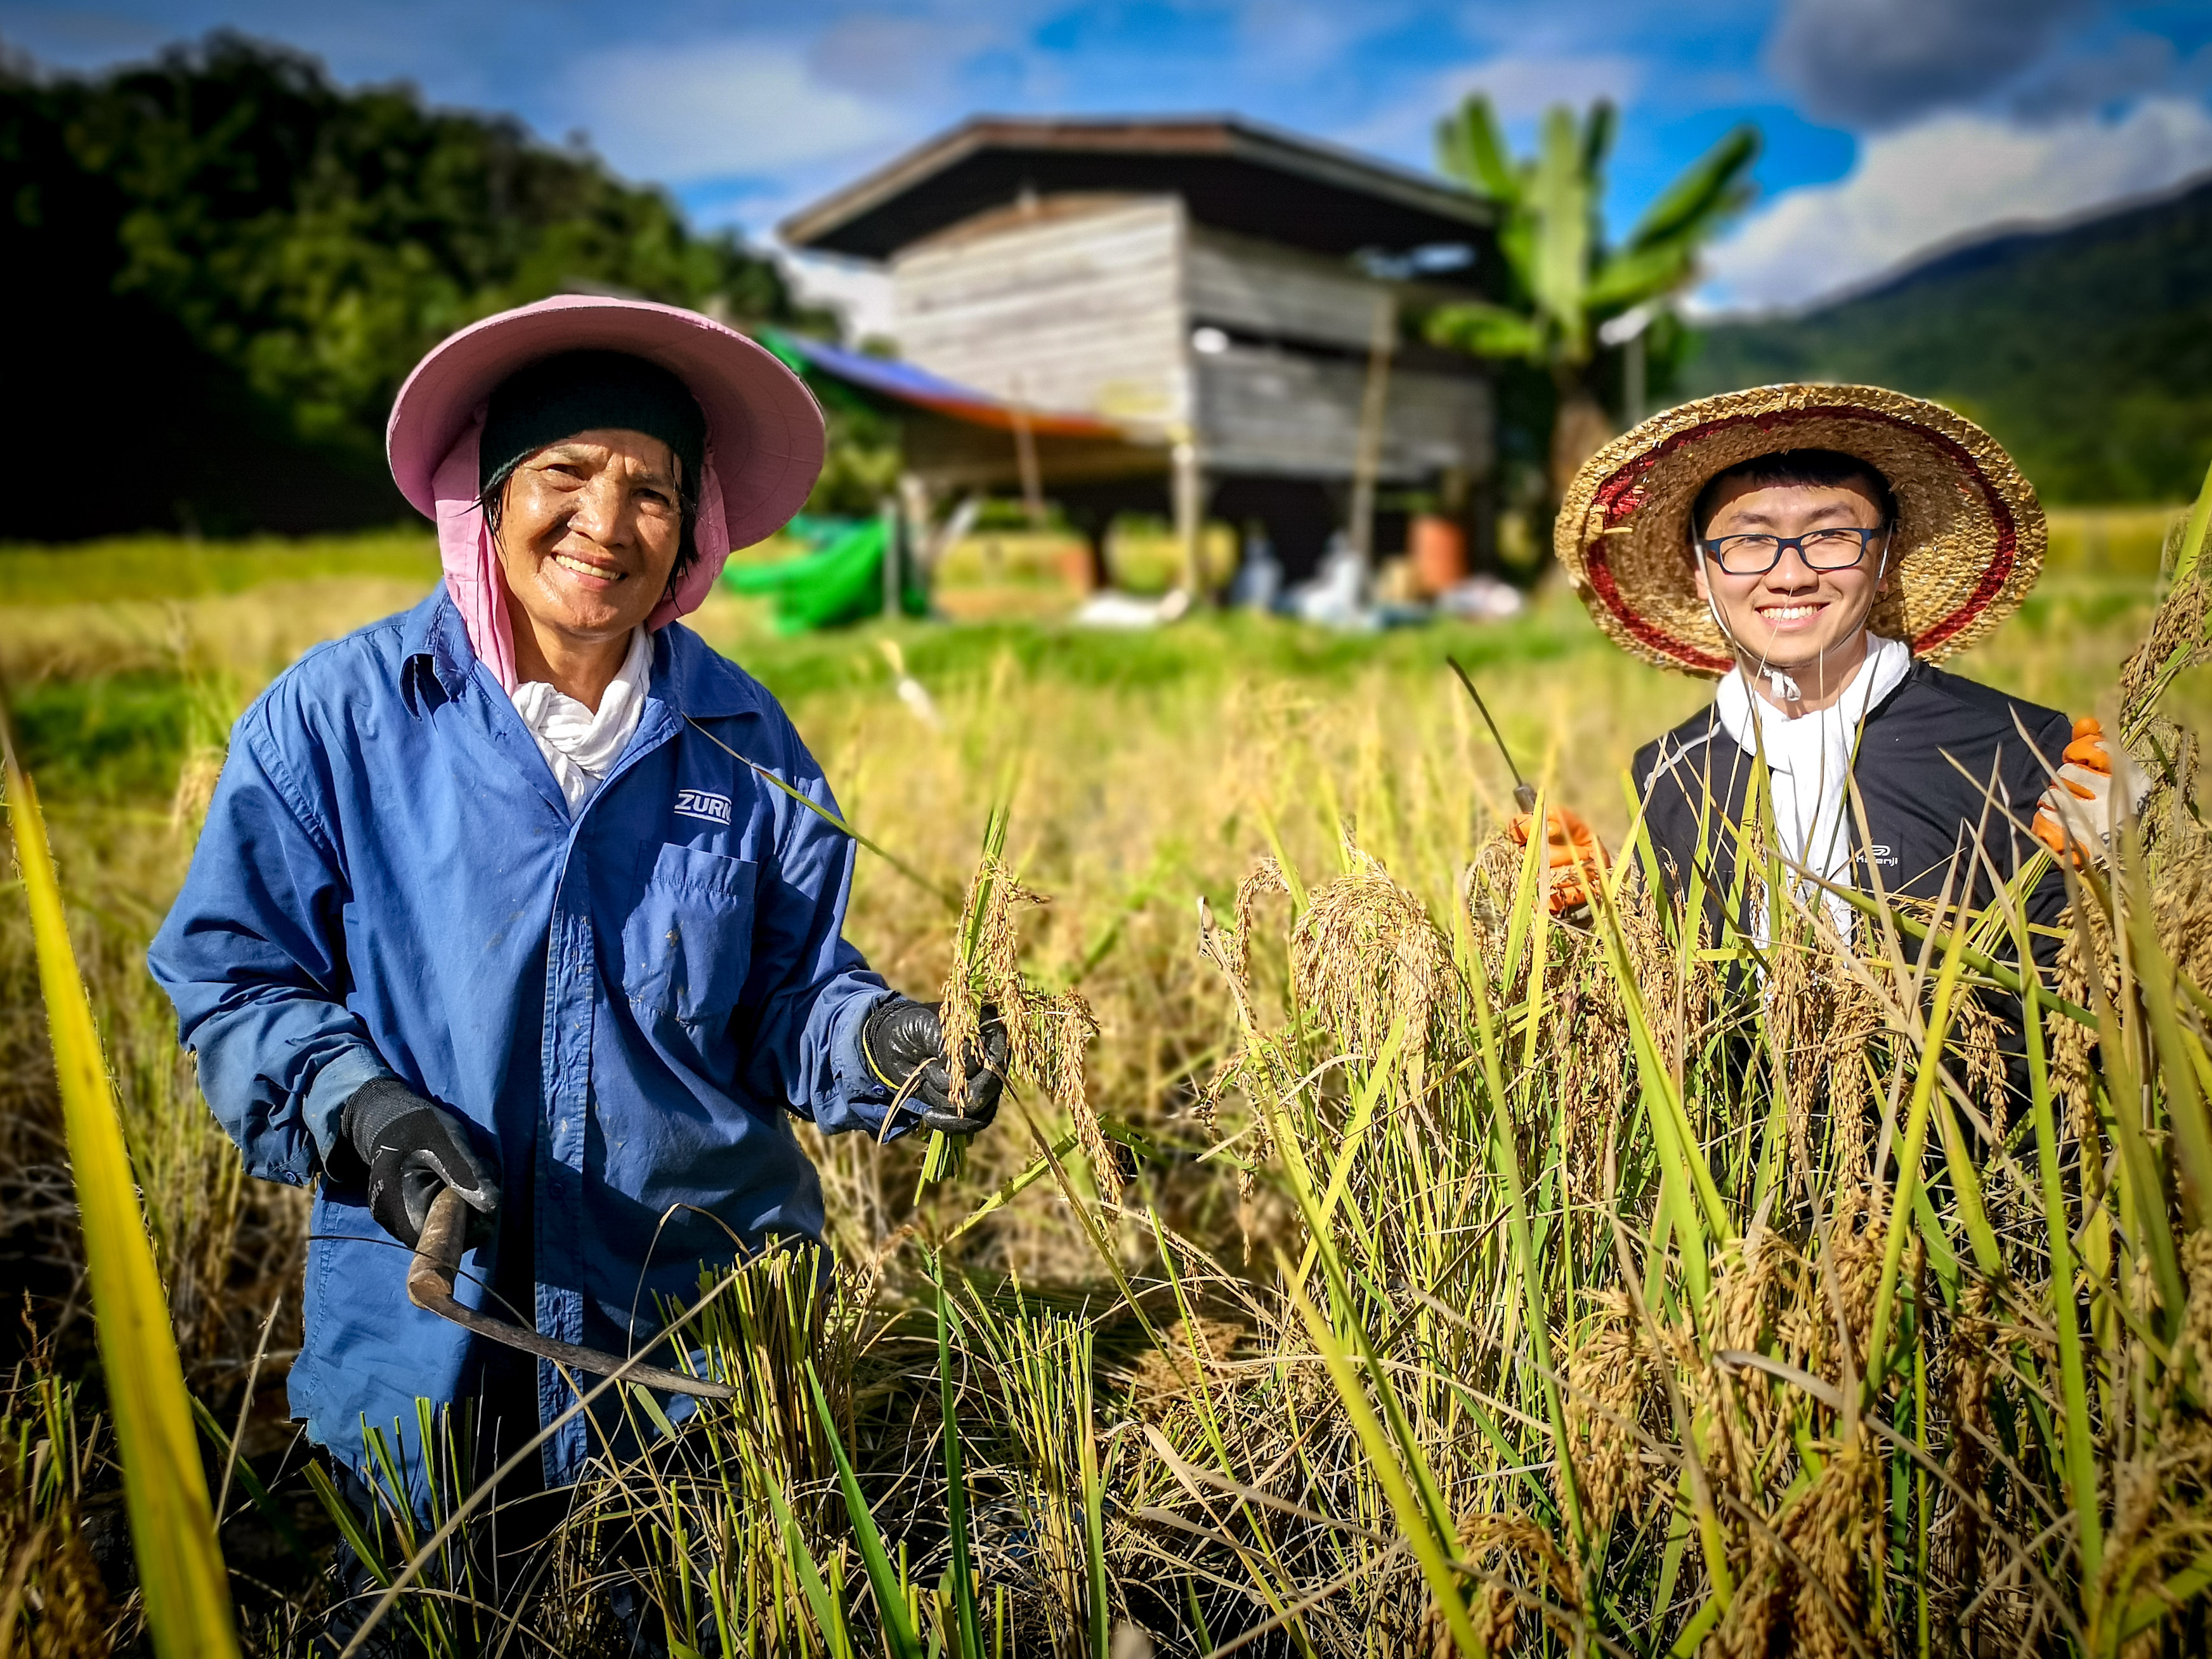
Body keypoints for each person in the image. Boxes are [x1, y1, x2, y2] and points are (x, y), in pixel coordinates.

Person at [148, 296, 1000, 1628]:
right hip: (433, 1337)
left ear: (693, 530)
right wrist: (362, 1113)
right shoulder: (338, 718)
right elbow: (234, 978)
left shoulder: (742, 737)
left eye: (652, 489)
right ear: (487, 498)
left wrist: (883, 1045)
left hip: (686, 1337)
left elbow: (790, 993)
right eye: (566, 474)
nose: (607, 520)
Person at [1512, 383, 2133, 941]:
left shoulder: (2018, 751)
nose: (1790, 575)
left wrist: (2123, 858)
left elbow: (2088, 1007)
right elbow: (1685, 1016)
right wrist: (1603, 919)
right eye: (1748, 541)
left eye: (1830, 537)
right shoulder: (1668, 774)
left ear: (1885, 561)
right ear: (1700, 572)